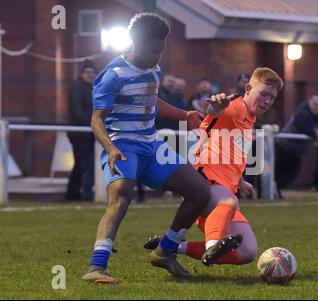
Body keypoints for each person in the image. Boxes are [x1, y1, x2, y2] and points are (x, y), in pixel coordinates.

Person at [82, 13, 215, 283]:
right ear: (135, 42)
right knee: (122, 193)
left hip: (151, 146)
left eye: (162, 49)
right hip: (123, 144)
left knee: (200, 190)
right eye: (154, 49)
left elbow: (152, 101)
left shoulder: (154, 70)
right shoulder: (113, 75)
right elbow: (96, 119)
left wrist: (183, 114)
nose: (158, 56)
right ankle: (97, 266)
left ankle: (165, 250)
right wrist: (109, 148)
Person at [144, 67, 284, 267]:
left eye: (272, 97)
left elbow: (230, 153)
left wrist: (241, 181)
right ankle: (213, 245)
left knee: (247, 251)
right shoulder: (235, 106)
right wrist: (216, 107)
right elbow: (214, 112)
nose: (267, 101)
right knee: (228, 201)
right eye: (263, 94)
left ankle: (171, 246)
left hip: (224, 191)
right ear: (248, 88)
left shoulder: (249, 118)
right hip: (206, 181)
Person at [275, 96, 318, 197]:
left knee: (293, 172)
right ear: (309, 102)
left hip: (296, 149)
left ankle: (277, 188)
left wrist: (317, 132)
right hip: (285, 145)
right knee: (282, 170)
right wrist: (314, 132)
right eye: (315, 104)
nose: (316, 107)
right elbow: (304, 126)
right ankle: (276, 189)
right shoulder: (302, 112)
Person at [65, 61, 97, 202]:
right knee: (81, 163)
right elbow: (77, 111)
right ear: (82, 74)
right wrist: (94, 124)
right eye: (87, 72)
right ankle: (73, 193)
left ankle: (76, 193)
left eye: (92, 72)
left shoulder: (93, 88)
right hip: (80, 133)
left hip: (88, 132)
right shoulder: (77, 88)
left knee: (84, 164)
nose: (90, 75)